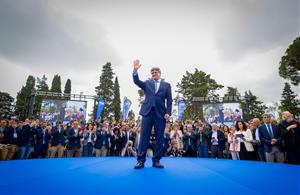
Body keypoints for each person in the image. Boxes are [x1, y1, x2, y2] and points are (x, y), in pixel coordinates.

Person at [132, 59, 172, 169]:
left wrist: (168, 112)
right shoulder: (147, 83)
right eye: (152, 72)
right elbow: (136, 81)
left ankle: (156, 161)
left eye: (156, 72)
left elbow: (169, 100)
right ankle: (140, 161)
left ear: (160, 74)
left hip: (160, 114)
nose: (154, 73)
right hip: (147, 113)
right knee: (144, 137)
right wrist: (135, 70)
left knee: (160, 138)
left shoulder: (167, 85)